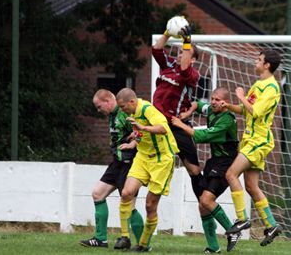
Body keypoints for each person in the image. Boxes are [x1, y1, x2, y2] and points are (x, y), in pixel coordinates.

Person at [221, 49, 284, 246]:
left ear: (267, 65)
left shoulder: (272, 88)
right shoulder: (258, 84)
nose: (255, 62)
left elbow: (255, 111)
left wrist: (241, 96)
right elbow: (245, 111)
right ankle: (271, 225)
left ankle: (242, 219)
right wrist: (229, 105)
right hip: (250, 139)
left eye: (259, 60)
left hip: (259, 140)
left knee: (231, 174)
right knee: (251, 186)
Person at [172, 87, 241, 253]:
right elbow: (197, 104)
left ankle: (233, 230)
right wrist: (189, 112)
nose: (213, 102)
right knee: (203, 206)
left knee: (206, 201)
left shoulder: (227, 120)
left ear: (225, 103)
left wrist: (180, 123)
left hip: (226, 164)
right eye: (212, 98)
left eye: (217, 100)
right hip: (214, 163)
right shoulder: (211, 109)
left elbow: (201, 136)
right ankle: (213, 247)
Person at [116, 87, 179, 252]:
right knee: (126, 193)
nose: (121, 110)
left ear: (132, 102)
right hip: (143, 157)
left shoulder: (147, 109)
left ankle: (143, 244)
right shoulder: (131, 113)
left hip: (161, 160)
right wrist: (134, 139)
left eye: (122, 106)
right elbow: (141, 132)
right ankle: (124, 237)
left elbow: (163, 128)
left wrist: (142, 128)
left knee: (150, 205)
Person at [80, 89, 143, 249]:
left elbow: (141, 131)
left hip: (129, 163)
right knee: (97, 194)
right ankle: (101, 239)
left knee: (129, 203)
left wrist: (132, 144)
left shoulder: (125, 113)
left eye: (99, 106)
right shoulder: (112, 115)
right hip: (116, 163)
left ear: (108, 101)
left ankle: (143, 243)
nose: (98, 110)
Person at [152, 21, 204, 200]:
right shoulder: (168, 65)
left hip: (177, 125)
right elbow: (156, 50)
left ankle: (205, 205)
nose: (181, 54)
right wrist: (167, 32)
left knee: (194, 170)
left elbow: (184, 69)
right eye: (181, 51)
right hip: (158, 123)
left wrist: (187, 41)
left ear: (193, 59)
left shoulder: (192, 74)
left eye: (186, 52)